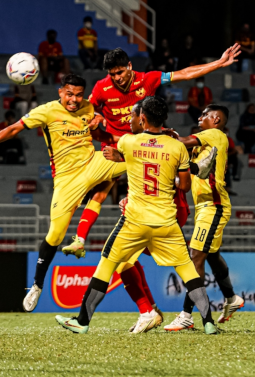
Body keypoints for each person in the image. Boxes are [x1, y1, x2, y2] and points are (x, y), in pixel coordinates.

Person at [54, 97, 220, 335]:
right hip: (166, 222)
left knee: (107, 264)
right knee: (188, 271)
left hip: (134, 221)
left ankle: (82, 321)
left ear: (142, 118)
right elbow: (183, 187)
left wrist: (110, 150)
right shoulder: (178, 147)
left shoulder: (129, 142)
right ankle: (208, 322)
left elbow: (115, 150)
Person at [61, 44, 241, 260]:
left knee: (173, 172)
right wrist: (95, 116)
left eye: (120, 72)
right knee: (101, 191)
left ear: (129, 66)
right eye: (112, 74)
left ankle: (172, 224)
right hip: (117, 144)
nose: (116, 78)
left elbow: (184, 74)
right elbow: (87, 109)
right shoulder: (102, 87)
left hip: (146, 143)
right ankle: (80, 240)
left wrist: (219, 63)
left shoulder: (148, 79)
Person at [0, 74, 127, 313]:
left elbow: (98, 120)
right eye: (69, 94)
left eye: (78, 94)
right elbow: (14, 129)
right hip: (66, 179)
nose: (74, 100)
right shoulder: (46, 111)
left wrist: (99, 118)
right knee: (55, 234)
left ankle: (181, 161)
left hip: (94, 162)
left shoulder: (87, 106)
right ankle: (36, 285)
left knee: (139, 156)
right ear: (60, 91)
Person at [102, 99, 216, 332]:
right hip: (164, 210)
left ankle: (149, 311)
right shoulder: (152, 141)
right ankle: (168, 312)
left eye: (132, 116)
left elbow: (164, 176)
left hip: (162, 211)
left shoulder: (156, 140)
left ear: (142, 118)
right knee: (183, 263)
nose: (128, 120)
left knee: (121, 260)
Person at [162, 104, 245, 330]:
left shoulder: (215, 134)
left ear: (216, 119)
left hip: (214, 205)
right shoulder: (207, 145)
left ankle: (186, 314)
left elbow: (183, 144)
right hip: (205, 206)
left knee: (195, 256)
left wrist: (157, 137)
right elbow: (189, 175)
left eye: (204, 115)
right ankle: (231, 298)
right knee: (211, 254)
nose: (199, 118)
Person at [224, 126, 240, 196]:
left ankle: (235, 174)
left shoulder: (229, 140)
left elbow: (233, 150)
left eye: (226, 132)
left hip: (226, 158)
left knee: (235, 158)